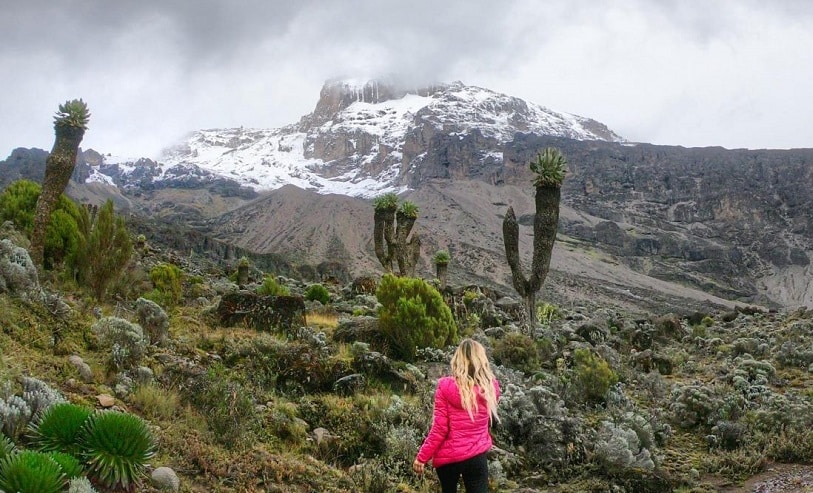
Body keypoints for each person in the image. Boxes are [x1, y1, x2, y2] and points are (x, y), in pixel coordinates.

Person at [413, 338, 501, 493]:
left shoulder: (445, 387)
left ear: (458, 360)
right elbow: (488, 421)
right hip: (476, 455)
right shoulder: (490, 388)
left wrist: (422, 457)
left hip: (449, 458)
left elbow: (440, 430)